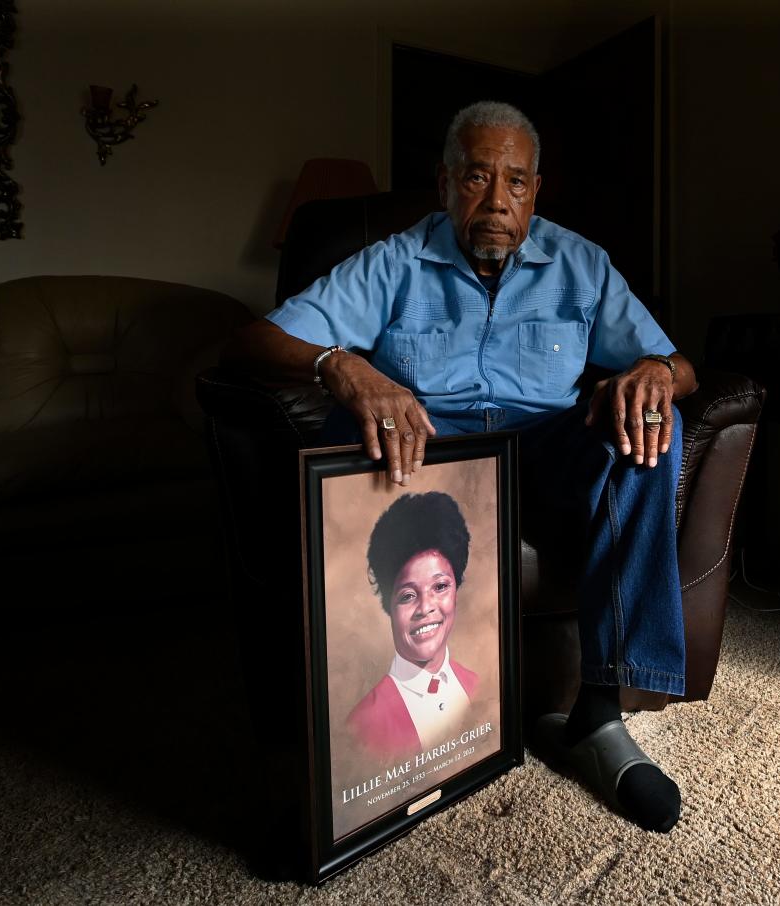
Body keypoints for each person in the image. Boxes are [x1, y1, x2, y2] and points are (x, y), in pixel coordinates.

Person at [223, 100, 699, 833]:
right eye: (478, 177)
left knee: (651, 420)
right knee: (343, 422)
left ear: (536, 191)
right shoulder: (391, 262)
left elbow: (681, 364)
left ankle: (600, 718)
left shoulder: (581, 264)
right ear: (445, 184)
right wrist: (340, 363)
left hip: (546, 455)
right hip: (433, 457)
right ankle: (354, 746)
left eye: (515, 182)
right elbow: (254, 341)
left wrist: (656, 375)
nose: (497, 201)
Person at [348, 492, 478, 760]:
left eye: (440, 586)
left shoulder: (476, 686)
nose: (426, 607)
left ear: (456, 590)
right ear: (389, 606)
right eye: (408, 595)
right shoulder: (362, 727)